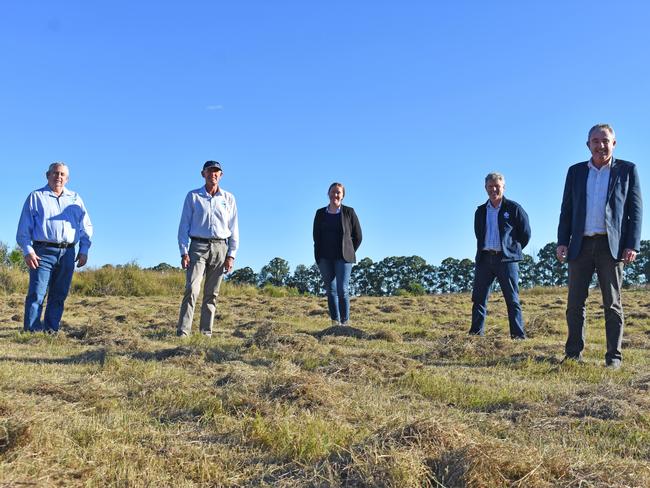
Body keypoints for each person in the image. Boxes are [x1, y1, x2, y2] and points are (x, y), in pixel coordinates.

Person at [557, 124, 642, 368]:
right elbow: (567, 210)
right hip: (580, 246)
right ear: (588, 145)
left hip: (611, 247)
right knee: (575, 303)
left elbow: (635, 212)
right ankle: (573, 355)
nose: (600, 145)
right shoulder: (575, 172)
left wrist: (631, 244)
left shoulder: (627, 170)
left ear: (614, 143)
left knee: (612, 304)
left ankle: (613, 358)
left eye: (605, 140)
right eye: (595, 141)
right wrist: (562, 241)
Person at [16, 162, 93, 334]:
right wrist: (28, 251)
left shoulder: (75, 198)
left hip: (68, 252)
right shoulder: (36, 197)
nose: (58, 177)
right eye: (55, 173)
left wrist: (84, 250)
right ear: (47, 175)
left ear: (67, 179)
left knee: (59, 294)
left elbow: (85, 227)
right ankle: (32, 332)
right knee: (37, 293)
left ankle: (51, 330)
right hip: (42, 252)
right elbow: (23, 229)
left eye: (62, 174)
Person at [177, 161, 239, 337]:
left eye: (217, 172)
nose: (213, 174)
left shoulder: (228, 199)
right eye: (210, 171)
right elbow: (183, 226)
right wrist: (184, 251)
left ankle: (206, 333)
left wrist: (231, 255)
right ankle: (183, 331)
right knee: (192, 289)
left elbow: (234, 229)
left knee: (212, 293)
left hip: (220, 247)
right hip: (198, 246)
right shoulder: (193, 196)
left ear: (221, 175)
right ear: (203, 174)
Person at [469, 172, 531, 339]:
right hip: (484, 260)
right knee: (479, 299)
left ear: (503, 187)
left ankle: (518, 336)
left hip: (506, 260)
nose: (494, 189)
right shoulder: (480, 212)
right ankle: (475, 335)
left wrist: (511, 249)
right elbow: (478, 234)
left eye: (497, 186)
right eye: (490, 186)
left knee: (512, 300)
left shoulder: (514, 208)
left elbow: (525, 234)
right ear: (485, 188)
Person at [313, 182, 362, 326]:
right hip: (325, 257)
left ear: (343, 196)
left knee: (342, 289)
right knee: (331, 290)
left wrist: (350, 250)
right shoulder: (320, 213)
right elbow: (316, 236)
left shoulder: (349, 212)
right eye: (333, 191)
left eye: (338, 192)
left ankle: (345, 323)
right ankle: (335, 322)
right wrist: (318, 256)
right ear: (328, 194)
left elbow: (358, 236)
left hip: (343, 258)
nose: (335, 194)